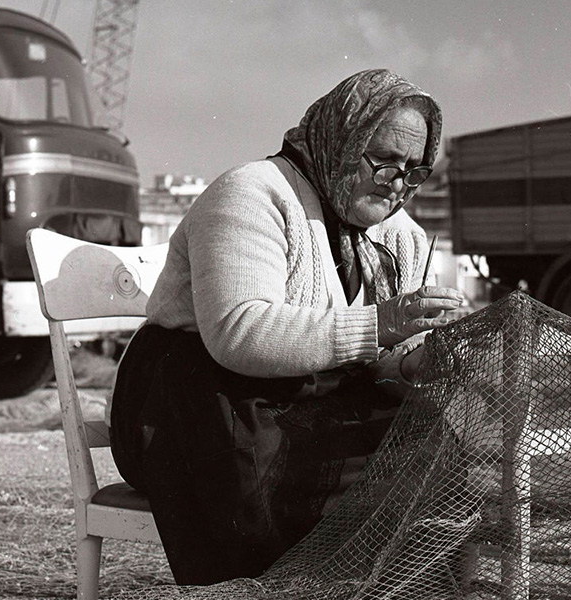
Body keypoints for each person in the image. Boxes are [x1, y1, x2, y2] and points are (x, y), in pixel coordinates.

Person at [109, 68, 465, 585]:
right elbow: (238, 332)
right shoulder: (251, 195)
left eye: (415, 170)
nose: (397, 184)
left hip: (300, 397)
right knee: (348, 483)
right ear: (341, 137)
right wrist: (383, 323)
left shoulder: (400, 236)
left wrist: (411, 362)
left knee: (430, 447)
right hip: (196, 404)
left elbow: (376, 355)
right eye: (383, 160)